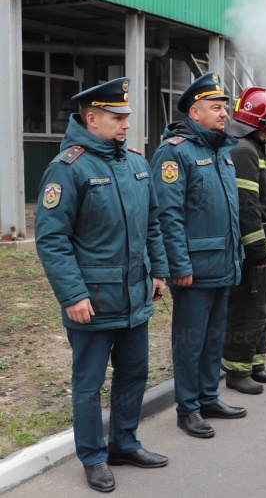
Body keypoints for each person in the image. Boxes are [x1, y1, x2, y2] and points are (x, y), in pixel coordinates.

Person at [35, 78, 169, 492]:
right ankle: (93, 456)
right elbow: (51, 239)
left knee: (133, 373)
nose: (126, 124)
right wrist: (72, 294)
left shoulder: (136, 164)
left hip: (134, 295)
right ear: (91, 119)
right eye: (117, 117)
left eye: (127, 117)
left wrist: (159, 272)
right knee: (89, 383)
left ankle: (124, 442)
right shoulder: (68, 168)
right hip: (92, 300)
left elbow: (153, 225)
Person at [151, 72, 246, 439]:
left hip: (222, 260)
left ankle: (209, 397)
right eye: (216, 107)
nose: (224, 114)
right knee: (190, 340)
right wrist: (178, 265)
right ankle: (187, 408)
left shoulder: (220, 150)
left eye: (224, 107)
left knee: (213, 337)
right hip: (193, 266)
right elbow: (167, 215)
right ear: (195, 111)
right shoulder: (175, 151)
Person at [221, 87, 266, 394]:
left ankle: (255, 362)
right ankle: (237, 369)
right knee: (247, 310)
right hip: (252, 249)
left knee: (265, 309)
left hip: (264, 246)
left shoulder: (256, 148)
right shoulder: (244, 150)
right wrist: (256, 246)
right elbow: (247, 205)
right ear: (260, 122)